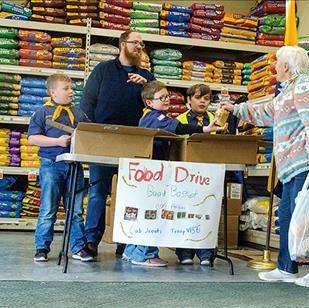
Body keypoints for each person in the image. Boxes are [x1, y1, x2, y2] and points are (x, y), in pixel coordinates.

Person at [221, 46, 309, 288]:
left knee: (303, 217)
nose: (274, 66)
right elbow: (266, 113)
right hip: (292, 166)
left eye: (277, 62)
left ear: (286, 66)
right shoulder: (288, 91)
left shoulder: (305, 86)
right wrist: (236, 109)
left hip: (305, 162)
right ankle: (286, 267)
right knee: (286, 216)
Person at [122, 81, 227, 267]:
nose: (167, 100)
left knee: (145, 211)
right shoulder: (154, 117)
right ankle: (145, 254)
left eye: (167, 97)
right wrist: (204, 129)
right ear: (149, 102)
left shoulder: (154, 116)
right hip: (152, 174)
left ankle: (132, 252)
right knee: (152, 212)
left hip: (149, 173)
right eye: (161, 98)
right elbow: (178, 128)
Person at [80, 30, 155, 259]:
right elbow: (87, 102)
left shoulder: (146, 76)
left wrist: (147, 87)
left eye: (142, 44)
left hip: (134, 142)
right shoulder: (103, 70)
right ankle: (91, 241)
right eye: (135, 42)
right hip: (103, 140)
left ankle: (126, 242)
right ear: (123, 44)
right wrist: (91, 135)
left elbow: (160, 105)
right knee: (97, 192)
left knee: (130, 195)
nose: (139, 47)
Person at [28, 74, 92, 262]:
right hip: (50, 165)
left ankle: (78, 247)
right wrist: (57, 141)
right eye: (66, 88)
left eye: (71, 88)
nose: (71, 91)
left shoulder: (79, 114)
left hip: (74, 166)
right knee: (48, 208)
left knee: (76, 210)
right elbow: (32, 138)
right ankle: (41, 247)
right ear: (52, 92)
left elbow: (89, 135)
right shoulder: (42, 112)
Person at [174, 84, 215, 265]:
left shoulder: (216, 119)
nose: (202, 102)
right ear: (189, 100)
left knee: (207, 212)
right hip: (186, 174)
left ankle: (206, 253)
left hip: (208, 173)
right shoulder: (180, 120)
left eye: (206, 99)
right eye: (198, 98)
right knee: (184, 212)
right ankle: (185, 252)